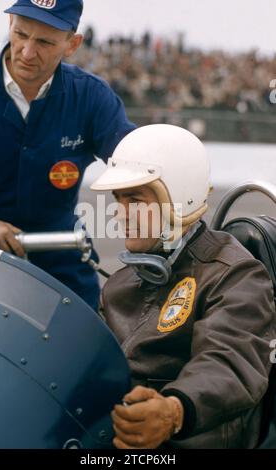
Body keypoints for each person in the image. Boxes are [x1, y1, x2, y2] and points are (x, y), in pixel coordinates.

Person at [90, 124, 276, 449]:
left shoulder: (234, 273)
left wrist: (174, 410)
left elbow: (229, 360)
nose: (121, 215)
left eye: (135, 200)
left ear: (176, 197)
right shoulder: (119, 284)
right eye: (119, 201)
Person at [0, 0, 135, 311]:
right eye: (21, 34)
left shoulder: (91, 97)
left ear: (72, 44)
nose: (26, 52)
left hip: (61, 261)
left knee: (89, 347)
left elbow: (138, 164)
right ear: (10, 23)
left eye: (44, 42)